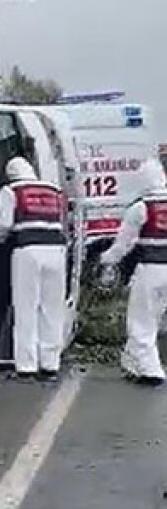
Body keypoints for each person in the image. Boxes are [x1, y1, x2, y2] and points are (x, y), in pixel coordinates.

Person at [0, 156, 67, 381]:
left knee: (26, 307)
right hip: (56, 251)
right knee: (52, 309)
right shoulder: (53, 190)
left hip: (28, 251)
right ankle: (50, 365)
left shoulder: (11, 190)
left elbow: (4, 224)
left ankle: (26, 367)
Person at [99, 161, 167, 386]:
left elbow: (123, 245)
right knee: (155, 318)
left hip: (150, 268)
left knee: (141, 319)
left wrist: (106, 259)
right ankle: (132, 362)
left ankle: (151, 370)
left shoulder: (142, 207)